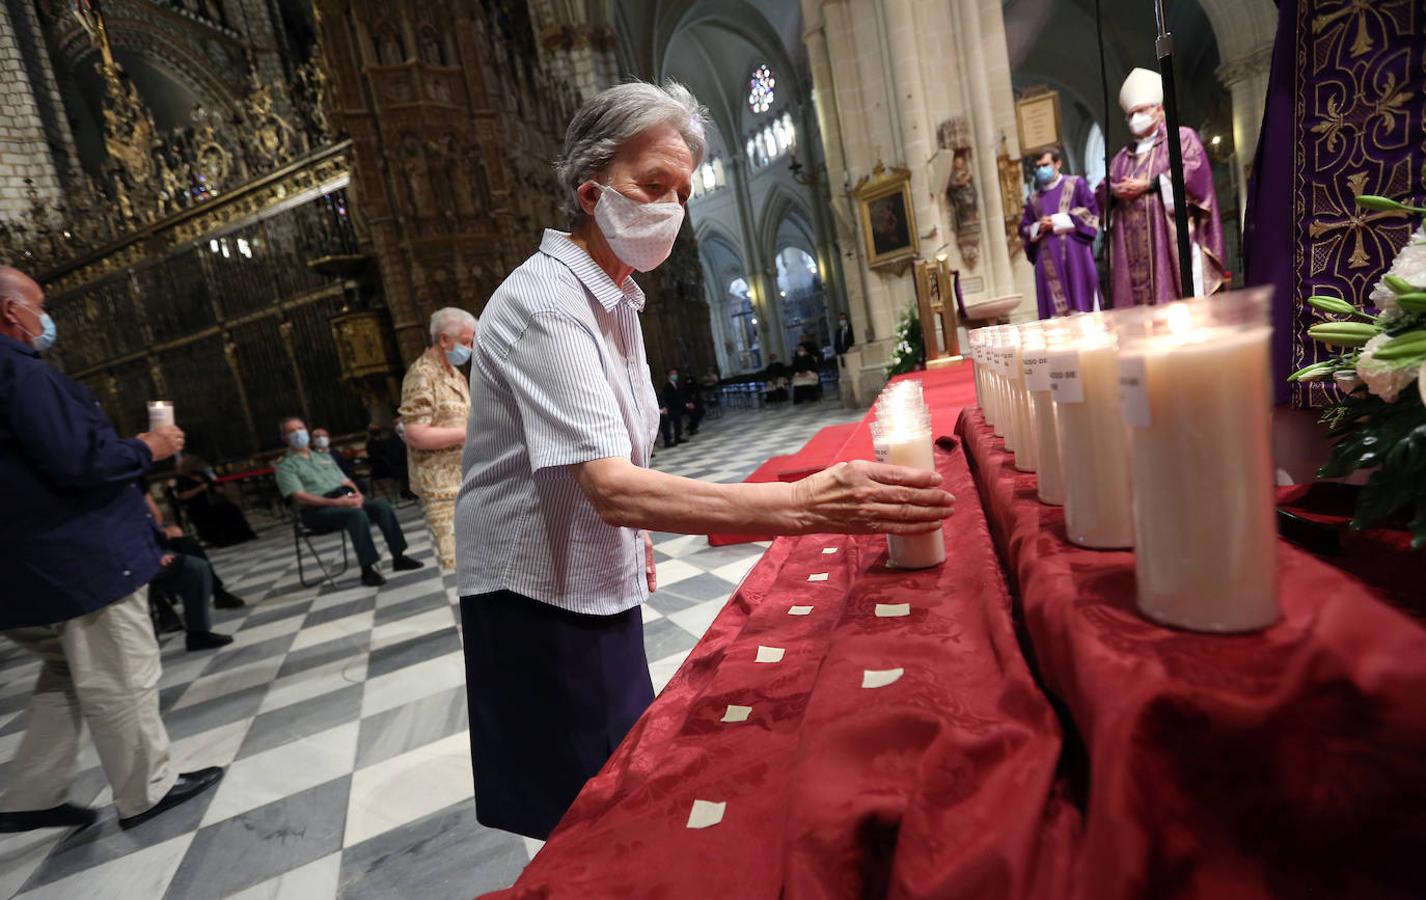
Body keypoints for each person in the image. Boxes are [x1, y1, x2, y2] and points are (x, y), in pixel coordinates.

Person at [454, 80, 955, 841]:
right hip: (538, 599)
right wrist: (804, 506)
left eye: (682, 191)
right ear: (591, 189)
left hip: (587, 576)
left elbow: (609, 456)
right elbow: (612, 488)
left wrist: (636, 532)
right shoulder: (548, 303)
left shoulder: (615, 299)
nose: (669, 208)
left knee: (618, 787)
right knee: (588, 818)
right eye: (651, 184)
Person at [0, 267, 224, 832]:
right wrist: (150, 445)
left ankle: (30, 795)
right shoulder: (22, 376)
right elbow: (82, 463)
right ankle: (146, 792)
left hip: (20, 570)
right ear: (10, 313)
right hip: (74, 560)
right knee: (119, 673)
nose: (44, 319)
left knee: (67, 671)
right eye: (39, 306)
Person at [1104, 67, 1225, 306]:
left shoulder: (1181, 138)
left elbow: (1194, 173)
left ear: (1159, 109)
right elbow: (1101, 191)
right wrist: (1114, 192)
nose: (1135, 119)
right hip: (1130, 253)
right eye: (1130, 115)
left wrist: (1150, 184)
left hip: (1170, 243)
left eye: (1140, 111)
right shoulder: (1121, 158)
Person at [275, 416, 425, 587]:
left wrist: (358, 495)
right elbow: (299, 496)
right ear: (284, 438)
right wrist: (337, 503)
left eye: (300, 428)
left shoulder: (321, 456)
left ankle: (399, 557)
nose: (298, 433)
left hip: (343, 498)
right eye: (292, 431)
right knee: (356, 514)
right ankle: (367, 570)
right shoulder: (285, 465)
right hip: (316, 510)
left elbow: (345, 481)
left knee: (381, 506)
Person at [399, 308, 476, 570]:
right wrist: (469, 432)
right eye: (465, 342)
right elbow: (416, 433)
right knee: (463, 565)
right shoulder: (422, 374)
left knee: (483, 561)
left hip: (466, 476)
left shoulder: (455, 375)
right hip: (442, 485)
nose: (469, 348)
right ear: (444, 340)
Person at [1019, 148, 1101, 318]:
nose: (1041, 170)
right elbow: (1024, 230)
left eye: (1046, 165)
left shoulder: (1076, 184)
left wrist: (1057, 221)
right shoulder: (1033, 199)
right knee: (1056, 323)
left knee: (1083, 316)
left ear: (1058, 163)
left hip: (1076, 260)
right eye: (1038, 167)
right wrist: (1039, 226)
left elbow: (1091, 213)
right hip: (1048, 265)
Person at [174, 455, 257, 547]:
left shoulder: (202, 475)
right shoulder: (182, 479)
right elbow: (182, 495)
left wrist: (218, 488)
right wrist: (199, 489)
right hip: (197, 505)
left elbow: (213, 484)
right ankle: (221, 539)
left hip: (212, 501)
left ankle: (241, 535)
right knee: (213, 514)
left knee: (231, 509)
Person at [366, 421, 412, 499]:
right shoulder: (370, 444)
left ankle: (407, 490)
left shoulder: (386, 441)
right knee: (403, 470)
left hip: (394, 464)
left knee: (405, 467)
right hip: (382, 468)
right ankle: (407, 491)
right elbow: (378, 456)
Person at [657, 367, 701, 447]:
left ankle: (691, 427)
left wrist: (688, 403)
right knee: (676, 415)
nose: (674, 375)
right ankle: (673, 439)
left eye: (675, 374)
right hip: (673, 407)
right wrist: (686, 405)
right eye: (672, 374)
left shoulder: (678, 385)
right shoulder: (667, 387)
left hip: (680, 406)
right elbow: (670, 400)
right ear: (668, 376)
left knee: (699, 409)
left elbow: (683, 396)